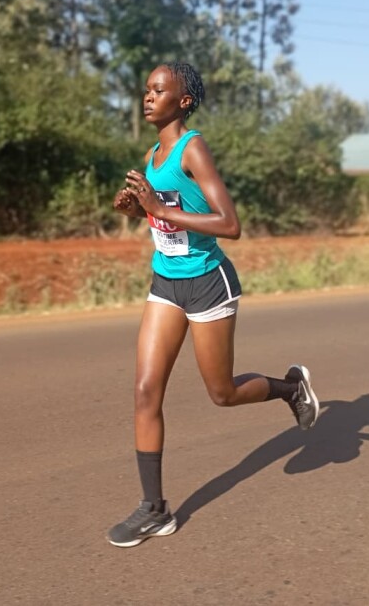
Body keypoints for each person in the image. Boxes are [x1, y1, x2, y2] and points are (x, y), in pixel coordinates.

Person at [107, 61, 320, 548]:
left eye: (159, 90)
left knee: (222, 393)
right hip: (167, 282)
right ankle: (154, 510)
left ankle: (291, 388)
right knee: (145, 390)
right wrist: (138, 210)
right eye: (146, 89)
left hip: (208, 283)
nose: (148, 97)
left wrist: (158, 208)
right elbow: (167, 218)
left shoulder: (192, 148)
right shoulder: (153, 153)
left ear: (183, 101)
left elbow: (229, 223)